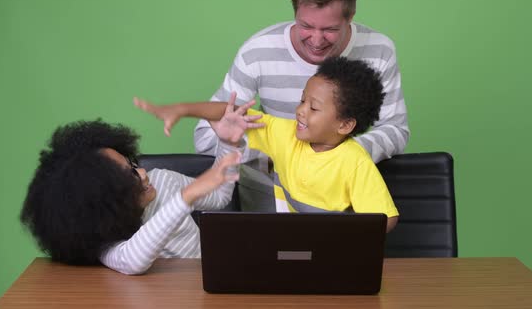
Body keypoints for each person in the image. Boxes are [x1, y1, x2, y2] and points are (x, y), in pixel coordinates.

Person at [194, 0, 409, 211]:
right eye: (306, 26)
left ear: (351, 16)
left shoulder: (379, 49)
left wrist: (340, 160)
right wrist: (284, 161)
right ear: (295, 12)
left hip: (341, 199)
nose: (316, 40)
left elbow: (395, 129)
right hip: (266, 196)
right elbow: (206, 136)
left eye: (330, 29)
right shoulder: (257, 51)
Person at [135, 56, 399, 232]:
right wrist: (183, 109)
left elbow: (386, 218)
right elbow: (233, 111)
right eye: (302, 100)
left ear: (344, 125)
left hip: (327, 252)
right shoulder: (288, 135)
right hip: (285, 246)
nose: (301, 111)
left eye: (314, 108)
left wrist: (348, 241)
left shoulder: (355, 162)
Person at [20, 119, 241, 275]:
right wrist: (185, 198)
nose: (144, 175)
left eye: (133, 165)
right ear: (104, 204)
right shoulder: (107, 240)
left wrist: (229, 143)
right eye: (130, 177)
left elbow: (220, 196)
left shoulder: (163, 181)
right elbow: (133, 263)